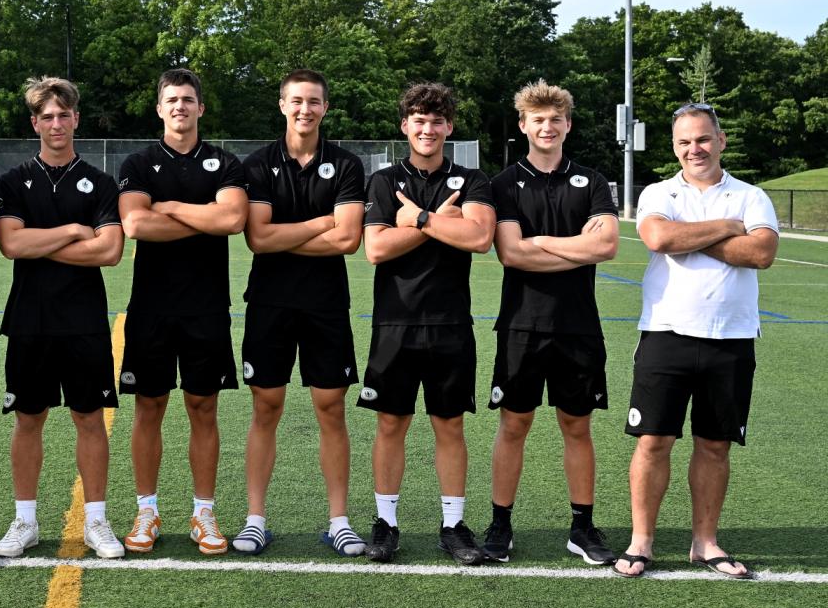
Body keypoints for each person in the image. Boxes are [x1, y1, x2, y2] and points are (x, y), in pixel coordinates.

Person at [613, 103, 778, 579]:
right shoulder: (658, 192)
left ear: (720, 141)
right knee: (653, 441)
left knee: (715, 445)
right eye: (684, 142)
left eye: (703, 139)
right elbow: (658, 238)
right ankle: (641, 541)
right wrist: (726, 227)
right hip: (666, 333)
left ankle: (705, 543)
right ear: (674, 147)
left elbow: (762, 252)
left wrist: (688, 236)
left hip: (731, 337)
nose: (695, 149)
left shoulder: (751, 195)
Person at [0, 76, 126, 560]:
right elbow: (11, 244)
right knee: (28, 419)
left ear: (76, 119)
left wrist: (40, 243)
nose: (55, 124)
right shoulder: (13, 181)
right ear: (35, 123)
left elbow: (109, 251)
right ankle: (25, 521)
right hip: (30, 318)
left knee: (89, 418)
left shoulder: (101, 182)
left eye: (63, 115)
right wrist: (72, 230)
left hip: (84, 319)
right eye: (46, 116)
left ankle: (96, 521)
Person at [484, 81, 619, 565]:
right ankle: (500, 524)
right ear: (523, 125)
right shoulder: (503, 184)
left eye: (555, 119)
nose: (547, 127)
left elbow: (606, 246)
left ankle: (582, 527)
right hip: (522, 325)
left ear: (568, 124)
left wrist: (540, 241)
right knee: (514, 423)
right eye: (537, 119)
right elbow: (512, 254)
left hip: (578, 325)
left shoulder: (591, 181)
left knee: (576, 426)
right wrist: (573, 247)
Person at [360, 82, 495, 565]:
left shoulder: (472, 180)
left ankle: (453, 526)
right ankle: (386, 523)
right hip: (394, 322)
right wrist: (439, 223)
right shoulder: (383, 181)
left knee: (449, 424)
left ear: (449, 127)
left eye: (437, 120)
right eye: (419, 119)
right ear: (405, 125)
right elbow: (376, 248)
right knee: (391, 422)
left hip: (450, 323)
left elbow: (479, 238)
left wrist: (416, 218)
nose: (428, 128)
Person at [234, 69, 365, 557]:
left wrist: (287, 235)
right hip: (269, 302)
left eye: (313, 101)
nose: (304, 109)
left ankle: (339, 521)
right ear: (282, 105)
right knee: (266, 406)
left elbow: (348, 239)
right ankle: (255, 519)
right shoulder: (257, 164)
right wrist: (319, 222)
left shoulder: (346, 164)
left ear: (325, 108)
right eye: (296, 101)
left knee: (331, 408)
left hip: (326, 304)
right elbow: (258, 238)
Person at [117, 68, 247, 555]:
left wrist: (168, 207)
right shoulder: (138, 162)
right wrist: (203, 218)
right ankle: (146, 509)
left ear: (200, 108)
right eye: (171, 99)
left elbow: (232, 218)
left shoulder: (225, 163)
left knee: (203, 407)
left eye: (188, 99)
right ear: (159, 108)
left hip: (207, 306)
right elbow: (135, 224)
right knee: (148, 406)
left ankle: (203, 512)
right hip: (151, 307)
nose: (180, 106)